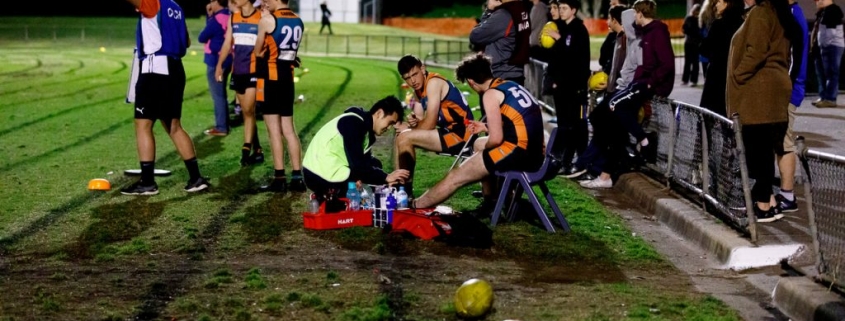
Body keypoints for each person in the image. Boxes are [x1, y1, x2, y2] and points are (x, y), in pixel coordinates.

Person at [413, 54, 545, 211]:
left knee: (456, 176)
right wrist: (486, 127)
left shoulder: (490, 95)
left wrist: (482, 155)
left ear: (471, 81)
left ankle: (415, 205)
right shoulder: (509, 85)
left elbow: (495, 140)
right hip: (536, 152)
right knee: (477, 144)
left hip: (521, 155)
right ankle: (490, 200)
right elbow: (517, 123)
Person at [122, 0, 210, 195]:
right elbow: (186, 41)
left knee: (143, 125)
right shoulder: (176, 6)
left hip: (155, 70)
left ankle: (147, 182)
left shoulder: (153, 2)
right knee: (174, 127)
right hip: (175, 69)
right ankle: (196, 178)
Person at [727, 0, 802, 222]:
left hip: (758, 93)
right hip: (774, 90)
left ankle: (762, 206)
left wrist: (738, 75)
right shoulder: (779, 13)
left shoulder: (761, 13)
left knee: (757, 151)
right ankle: (768, 202)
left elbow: (756, 51)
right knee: (764, 151)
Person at [393, 55, 474, 198]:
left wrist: (411, 128)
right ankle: (399, 186)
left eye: (415, 74)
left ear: (423, 69)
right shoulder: (418, 90)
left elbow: (429, 123)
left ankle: (404, 192)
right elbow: (419, 119)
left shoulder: (433, 83)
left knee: (405, 137)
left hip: (463, 135)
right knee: (401, 136)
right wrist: (412, 122)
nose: (413, 81)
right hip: (448, 132)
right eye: (408, 78)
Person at [302, 97, 410, 199]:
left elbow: (365, 164)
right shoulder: (353, 122)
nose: (389, 128)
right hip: (318, 174)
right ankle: (333, 199)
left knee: (375, 165)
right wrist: (385, 177)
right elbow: (358, 165)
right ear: (379, 113)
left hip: (328, 168)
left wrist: (383, 178)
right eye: (390, 122)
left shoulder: (364, 129)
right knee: (362, 188)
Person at [611, 0, 674, 164]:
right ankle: (636, 146)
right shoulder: (646, 31)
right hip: (642, 81)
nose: (633, 18)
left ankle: (645, 142)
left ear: (640, 13)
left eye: (634, 14)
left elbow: (667, 64)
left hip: (651, 84)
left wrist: (650, 82)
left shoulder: (657, 32)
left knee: (615, 104)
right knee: (615, 105)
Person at [253, 0, 306, 192]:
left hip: (270, 79)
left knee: (274, 130)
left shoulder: (268, 20)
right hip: (287, 79)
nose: (265, 2)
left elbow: (258, 51)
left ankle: (279, 177)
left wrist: (264, 19)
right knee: (289, 130)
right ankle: (297, 177)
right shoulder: (298, 20)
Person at [544, 0, 590, 175]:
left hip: (574, 87)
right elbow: (558, 58)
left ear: (574, 10)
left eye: (564, 8)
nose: (561, 11)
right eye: (560, 8)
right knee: (564, 123)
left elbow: (575, 58)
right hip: (562, 86)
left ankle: (572, 161)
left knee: (574, 125)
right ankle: (563, 161)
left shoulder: (579, 30)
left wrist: (559, 39)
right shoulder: (563, 28)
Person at [216, 0, 264, 167]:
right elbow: (227, 43)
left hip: (253, 72)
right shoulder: (233, 18)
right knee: (246, 112)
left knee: (249, 110)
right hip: (238, 72)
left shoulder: (261, 18)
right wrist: (219, 65)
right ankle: (258, 149)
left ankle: (245, 150)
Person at [774, 0, 809, 213]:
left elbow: (795, 59)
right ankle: (784, 193)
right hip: (788, 89)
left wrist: (785, 89)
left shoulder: (793, 15)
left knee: (784, 142)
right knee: (779, 141)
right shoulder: (791, 12)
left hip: (788, 91)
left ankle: (788, 195)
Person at [699, 0, 744, 117]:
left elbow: (706, 49)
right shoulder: (744, 24)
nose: (716, 5)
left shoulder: (719, 25)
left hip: (717, 77)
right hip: (736, 76)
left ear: (727, 3)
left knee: (714, 116)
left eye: (719, 1)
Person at [469, 0, 531, 85]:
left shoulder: (504, 14)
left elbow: (475, 36)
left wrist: (489, 11)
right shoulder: (521, 9)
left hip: (502, 75)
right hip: (515, 73)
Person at [200, 0, 232, 137]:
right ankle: (224, 123)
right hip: (228, 58)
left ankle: (221, 127)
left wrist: (209, 17)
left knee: (218, 95)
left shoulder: (216, 19)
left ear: (217, 2)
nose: (210, 4)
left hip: (215, 61)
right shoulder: (230, 16)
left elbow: (202, 37)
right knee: (221, 93)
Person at [810, 0, 844, 108]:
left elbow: (831, 33)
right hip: (823, 47)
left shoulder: (832, 11)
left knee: (831, 73)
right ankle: (824, 96)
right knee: (822, 73)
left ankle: (830, 99)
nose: (816, 2)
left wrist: (824, 45)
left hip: (831, 47)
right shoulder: (822, 12)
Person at [682, 4, 702, 86]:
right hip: (690, 42)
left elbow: (686, 29)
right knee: (689, 62)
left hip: (693, 43)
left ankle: (693, 80)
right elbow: (684, 29)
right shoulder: (690, 18)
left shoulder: (697, 19)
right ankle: (686, 79)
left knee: (694, 62)